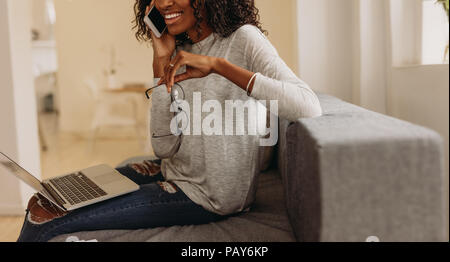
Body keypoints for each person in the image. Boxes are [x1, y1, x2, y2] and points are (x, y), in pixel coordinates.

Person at [17, 0, 322, 242]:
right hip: (170, 171)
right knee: (45, 197)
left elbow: (307, 106)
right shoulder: (180, 49)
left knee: (45, 218)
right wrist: (159, 62)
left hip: (207, 197)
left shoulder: (243, 40)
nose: (163, 3)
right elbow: (164, 147)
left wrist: (218, 66)